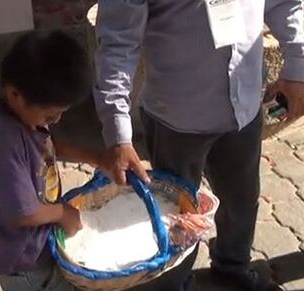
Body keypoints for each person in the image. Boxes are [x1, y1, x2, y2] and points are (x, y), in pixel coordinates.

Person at [94, 0, 304, 290]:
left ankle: (233, 267)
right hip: (176, 122)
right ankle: (175, 282)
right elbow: (118, 43)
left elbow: (284, 3)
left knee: (241, 201)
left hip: (243, 111)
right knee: (177, 216)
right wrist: (118, 132)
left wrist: (297, 66)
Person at [0, 30, 102, 291]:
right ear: (16, 95)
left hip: (31, 243)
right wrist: (63, 213)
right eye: (50, 116)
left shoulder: (13, 104)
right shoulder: (1, 138)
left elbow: (46, 146)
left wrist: (98, 158)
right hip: (23, 260)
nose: (55, 122)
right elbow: (22, 212)